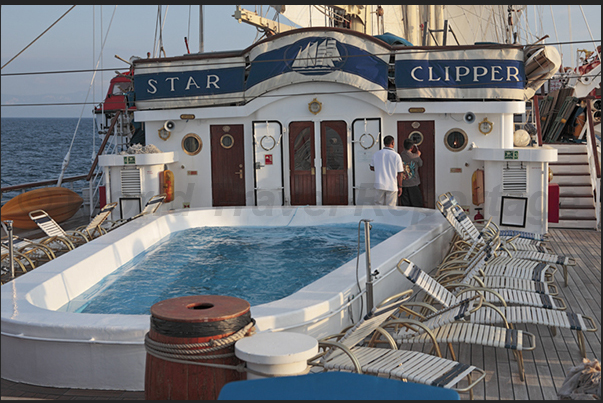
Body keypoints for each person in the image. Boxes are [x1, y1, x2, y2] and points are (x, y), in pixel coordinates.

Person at [369, 135, 404, 206]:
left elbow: (372, 168)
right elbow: (400, 173)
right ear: (393, 143)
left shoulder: (376, 154)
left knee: (378, 206)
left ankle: (378, 217)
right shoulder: (396, 156)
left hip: (379, 185)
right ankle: (388, 217)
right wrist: (400, 186)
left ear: (384, 143)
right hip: (392, 186)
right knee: (391, 207)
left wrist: (380, 168)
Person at [399, 138, 424, 207]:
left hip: (403, 184)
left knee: (405, 206)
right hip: (414, 183)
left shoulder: (399, 156)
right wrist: (418, 155)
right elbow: (420, 164)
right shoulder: (415, 156)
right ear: (412, 147)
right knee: (417, 204)